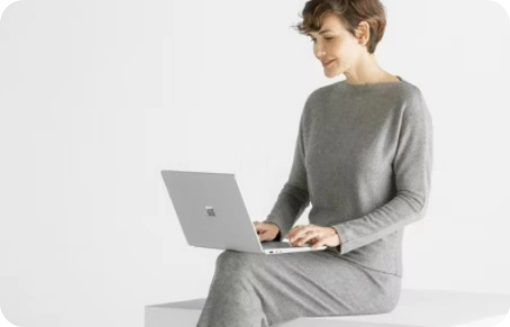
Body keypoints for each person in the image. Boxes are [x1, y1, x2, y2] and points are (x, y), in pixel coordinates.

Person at [196, 0, 433, 326]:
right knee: (236, 260)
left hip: (368, 273)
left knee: (239, 269)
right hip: (313, 260)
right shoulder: (318, 104)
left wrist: (339, 233)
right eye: (313, 40)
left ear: (362, 32)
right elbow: (298, 186)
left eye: (328, 37)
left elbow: (414, 201)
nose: (318, 50)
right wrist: (276, 225)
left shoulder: (405, 102)